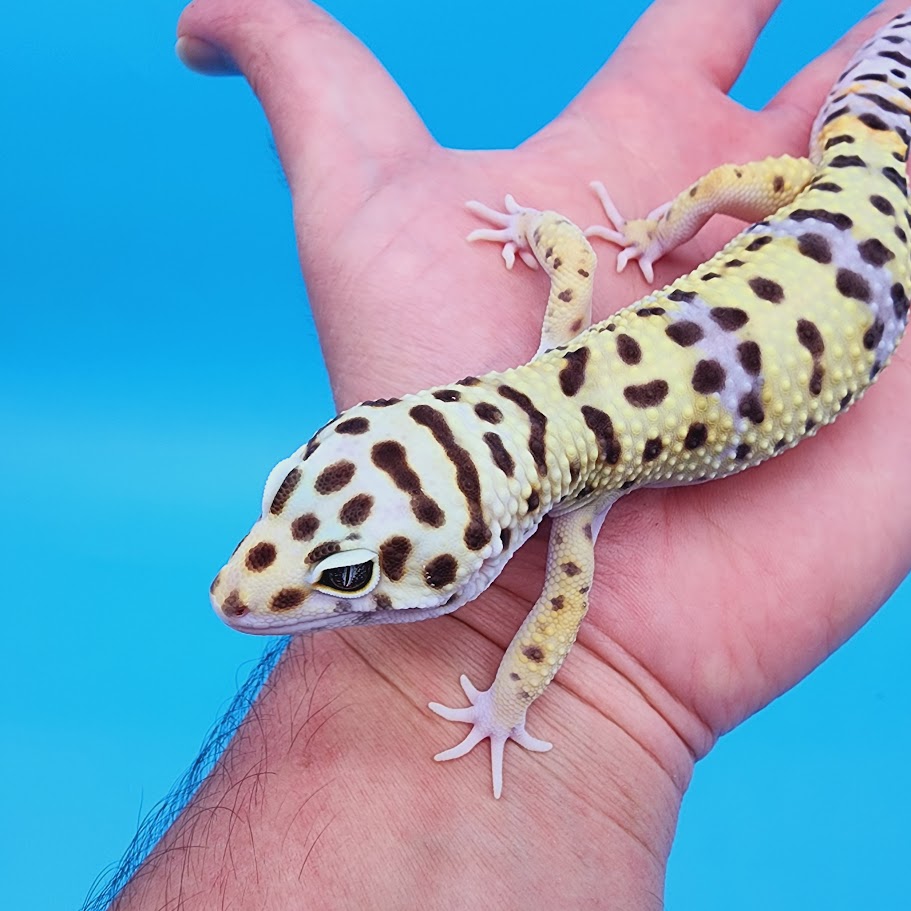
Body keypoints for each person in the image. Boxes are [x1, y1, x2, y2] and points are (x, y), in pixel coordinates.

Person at [110, 1, 911, 907]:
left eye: (341, 573)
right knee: (747, 179)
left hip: (866, 218)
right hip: (843, 204)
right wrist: (634, 232)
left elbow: (552, 624)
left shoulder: (567, 518)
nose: (250, 584)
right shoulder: (559, 354)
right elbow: (565, 245)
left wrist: (504, 708)